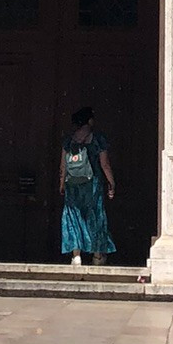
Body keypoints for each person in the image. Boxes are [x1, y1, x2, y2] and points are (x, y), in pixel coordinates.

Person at [59, 105, 115, 266]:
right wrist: (111, 182)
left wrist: (61, 183)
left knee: (73, 217)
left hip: (73, 184)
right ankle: (97, 255)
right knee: (95, 216)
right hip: (93, 184)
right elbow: (105, 164)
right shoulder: (97, 139)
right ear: (89, 120)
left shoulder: (69, 141)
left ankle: (76, 255)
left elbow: (63, 165)